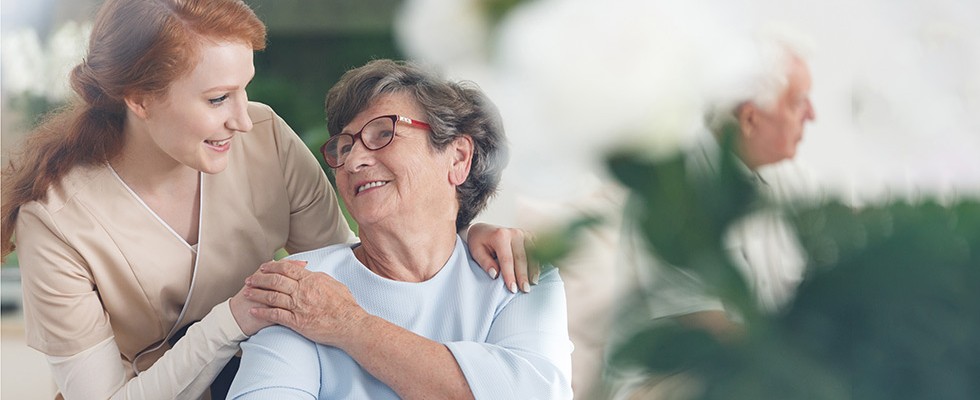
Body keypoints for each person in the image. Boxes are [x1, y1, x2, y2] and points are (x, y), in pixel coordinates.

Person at [0, 1, 534, 399]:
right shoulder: (56, 222)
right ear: (139, 99)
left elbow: (357, 273)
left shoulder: (264, 137)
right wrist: (234, 319)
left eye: (244, 89)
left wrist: (458, 233)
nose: (241, 116)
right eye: (216, 99)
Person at [226, 59, 574, 399]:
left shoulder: (518, 272)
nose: (353, 161)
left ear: (457, 158)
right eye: (344, 147)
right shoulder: (300, 286)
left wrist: (349, 325)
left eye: (383, 133)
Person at [626, 32, 818, 338]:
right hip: (682, 374)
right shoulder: (676, 185)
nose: (812, 115)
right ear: (750, 120)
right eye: (798, 103)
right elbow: (705, 326)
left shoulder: (787, 178)